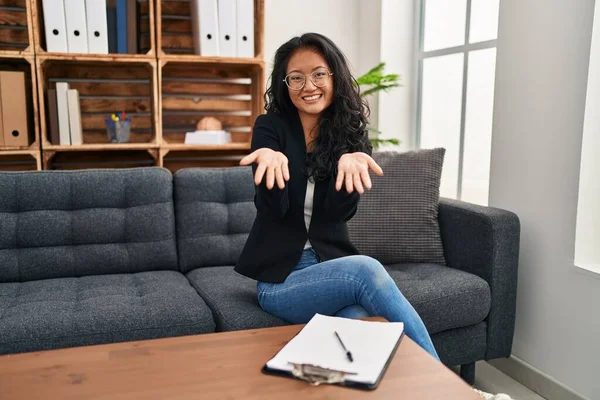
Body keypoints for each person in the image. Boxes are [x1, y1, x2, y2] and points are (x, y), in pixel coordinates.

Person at [235, 33, 439, 360]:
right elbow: (274, 211)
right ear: (285, 84)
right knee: (366, 270)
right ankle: (450, 391)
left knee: (360, 328)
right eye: (296, 78)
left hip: (331, 269)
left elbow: (339, 214)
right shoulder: (270, 127)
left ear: (334, 76)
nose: (309, 85)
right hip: (281, 282)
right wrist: (274, 169)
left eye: (318, 74)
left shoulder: (351, 134)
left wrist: (346, 167)